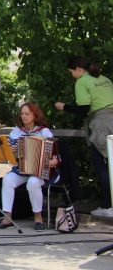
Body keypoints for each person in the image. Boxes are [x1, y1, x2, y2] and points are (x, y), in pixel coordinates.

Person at [55, 55, 113, 218]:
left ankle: (109, 206)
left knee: (103, 166)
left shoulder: (82, 82)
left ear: (79, 70)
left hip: (101, 124)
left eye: (71, 72)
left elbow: (83, 109)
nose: (71, 75)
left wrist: (64, 107)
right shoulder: (105, 79)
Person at [0, 103, 59, 231]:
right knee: (7, 179)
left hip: (39, 171)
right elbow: (6, 151)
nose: (24, 116)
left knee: (33, 182)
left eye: (27, 114)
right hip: (22, 169)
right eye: (22, 113)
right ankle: (7, 218)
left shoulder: (43, 131)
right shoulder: (17, 131)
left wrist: (54, 161)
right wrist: (12, 150)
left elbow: (55, 153)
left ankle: (38, 217)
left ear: (35, 115)